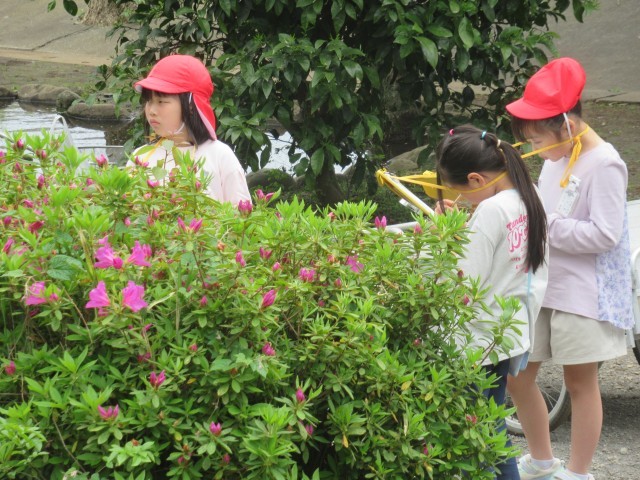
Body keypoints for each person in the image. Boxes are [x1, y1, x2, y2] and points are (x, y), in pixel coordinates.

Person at [505, 57, 634, 480]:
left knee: (580, 384)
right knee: (517, 376)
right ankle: (542, 462)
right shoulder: (557, 155)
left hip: (583, 293)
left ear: (568, 124)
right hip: (544, 284)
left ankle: (578, 474)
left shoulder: (606, 163)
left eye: (538, 138)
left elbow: (605, 235)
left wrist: (550, 225)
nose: (535, 148)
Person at [435, 124, 549, 480]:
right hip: (508, 333)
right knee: (490, 427)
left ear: (475, 178)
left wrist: (443, 236)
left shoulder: (490, 211)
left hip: (478, 340)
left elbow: (462, 284)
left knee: (482, 436)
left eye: (462, 192)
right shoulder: (529, 194)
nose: (462, 200)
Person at [129, 54, 251, 205]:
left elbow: (242, 214)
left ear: (191, 105)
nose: (152, 111)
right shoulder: (140, 157)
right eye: (149, 101)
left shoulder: (219, 156)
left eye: (161, 101)